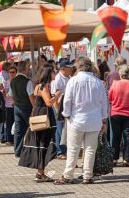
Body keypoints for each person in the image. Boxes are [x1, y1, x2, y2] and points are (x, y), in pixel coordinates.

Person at [55, 57, 108, 185]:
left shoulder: (73, 81)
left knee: (73, 148)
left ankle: (68, 175)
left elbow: (67, 100)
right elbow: (104, 103)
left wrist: (66, 114)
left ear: (78, 67)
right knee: (90, 149)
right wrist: (104, 120)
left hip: (76, 119)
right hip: (94, 120)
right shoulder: (98, 82)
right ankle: (87, 175)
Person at [19, 65, 58, 181]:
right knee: (44, 143)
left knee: (41, 143)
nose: (54, 74)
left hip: (38, 114)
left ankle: (40, 172)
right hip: (44, 117)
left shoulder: (37, 86)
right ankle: (41, 172)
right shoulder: (44, 86)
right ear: (48, 73)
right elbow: (49, 103)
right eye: (53, 72)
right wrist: (57, 95)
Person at [11, 60, 35, 157]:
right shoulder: (27, 81)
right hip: (26, 107)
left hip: (17, 107)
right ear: (25, 69)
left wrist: (15, 102)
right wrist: (35, 107)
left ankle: (18, 151)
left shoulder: (13, 80)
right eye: (28, 67)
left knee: (18, 130)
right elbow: (31, 96)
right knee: (31, 128)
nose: (29, 69)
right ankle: (31, 149)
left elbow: (11, 95)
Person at [51, 58, 74, 159]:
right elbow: (55, 95)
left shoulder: (68, 77)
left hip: (66, 106)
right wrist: (56, 109)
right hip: (59, 106)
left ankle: (65, 149)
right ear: (64, 68)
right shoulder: (58, 79)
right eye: (69, 67)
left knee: (65, 128)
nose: (71, 69)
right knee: (59, 128)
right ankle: (60, 151)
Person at [2, 64, 16, 145]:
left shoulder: (17, 82)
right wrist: (7, 94)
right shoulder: (6, 82)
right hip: (8, 105)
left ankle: (14, 139)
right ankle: (9, 139)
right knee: (9, 123)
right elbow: (4, 93)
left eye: (13, 72)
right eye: (10, 72)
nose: (12, 74)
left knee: (16, 122)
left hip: (16, 105)